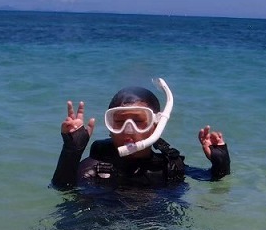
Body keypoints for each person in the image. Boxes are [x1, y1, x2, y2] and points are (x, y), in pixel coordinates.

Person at [51, 79, 231, 189]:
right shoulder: (96, 169)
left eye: (138, 121)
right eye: (119, 122)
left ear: (157, 125)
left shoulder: (169, 166)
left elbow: (213, 179)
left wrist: (220, 162)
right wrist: (71, 152)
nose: (129, 130)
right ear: (109, 126)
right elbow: (63, 189)